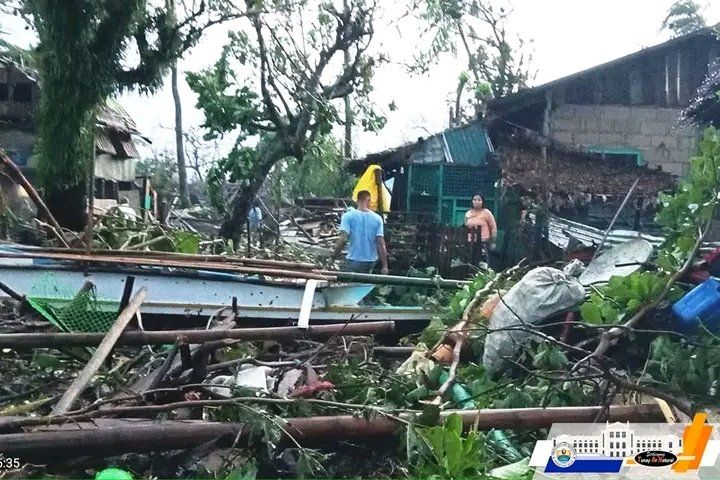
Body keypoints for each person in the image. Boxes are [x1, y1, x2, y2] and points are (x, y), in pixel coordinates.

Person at [331, 190, 389, 274]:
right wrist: (385, 266)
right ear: (368, 200)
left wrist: (334, 255)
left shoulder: (348, 216)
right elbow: (381, 243)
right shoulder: (377, 218)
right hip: (370, 261)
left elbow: (343, 239)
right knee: (365, 282)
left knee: (351, 283)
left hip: (353, 259)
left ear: (357, 201)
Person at [464, 193, 497, 265]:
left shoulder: (487, 213)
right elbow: (466, 226)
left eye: (479, 200)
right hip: (470, 243)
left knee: (482, 263)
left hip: (483, 242)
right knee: (470, 262)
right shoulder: (468, 213)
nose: (477, 202)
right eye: (475, 200)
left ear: (483, 202)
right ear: (472, 201)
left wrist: (493, 241)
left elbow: (493, 228)